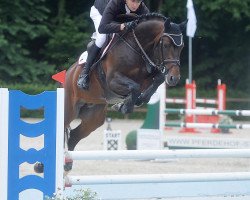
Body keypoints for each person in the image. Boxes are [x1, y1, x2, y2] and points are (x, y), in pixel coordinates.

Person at [77, 0, 149, 90]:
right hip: (101, 13)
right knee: (102, 38)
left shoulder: (142, 8)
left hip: (119, 18)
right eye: (133, 1)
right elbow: (102, 28)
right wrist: (122, 26)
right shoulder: (115, 3)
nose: (135, 5)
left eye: (138, 2)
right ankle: (85, 74)